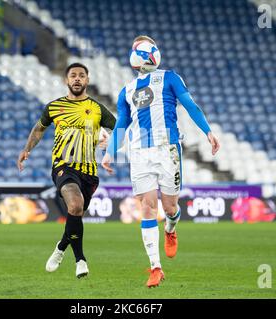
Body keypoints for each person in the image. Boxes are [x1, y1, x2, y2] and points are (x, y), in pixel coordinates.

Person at [101, 35, 220, 288]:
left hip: (168, 149)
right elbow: (122, 123)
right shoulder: (127, 90)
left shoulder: (170, 78)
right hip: (140, 153)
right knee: (147, 207)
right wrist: (111, 151)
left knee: (169, 208)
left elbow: (189, 104)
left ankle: (170, 228)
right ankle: (156, 267)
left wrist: (207, 131)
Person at [17, 63, 116, 278]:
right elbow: (39, 128)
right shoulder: (54, 107)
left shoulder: (98, 109)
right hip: (63, 167)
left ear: (87, 80)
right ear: (66, 80)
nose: (77, 79)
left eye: (82, 75)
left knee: (76, 213)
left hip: (89, 172)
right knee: (75, 204)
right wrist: (27, 149)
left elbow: (119, 128)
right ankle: (80, 260)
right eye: (73, 76)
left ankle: (61, 247)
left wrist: (111, 145)